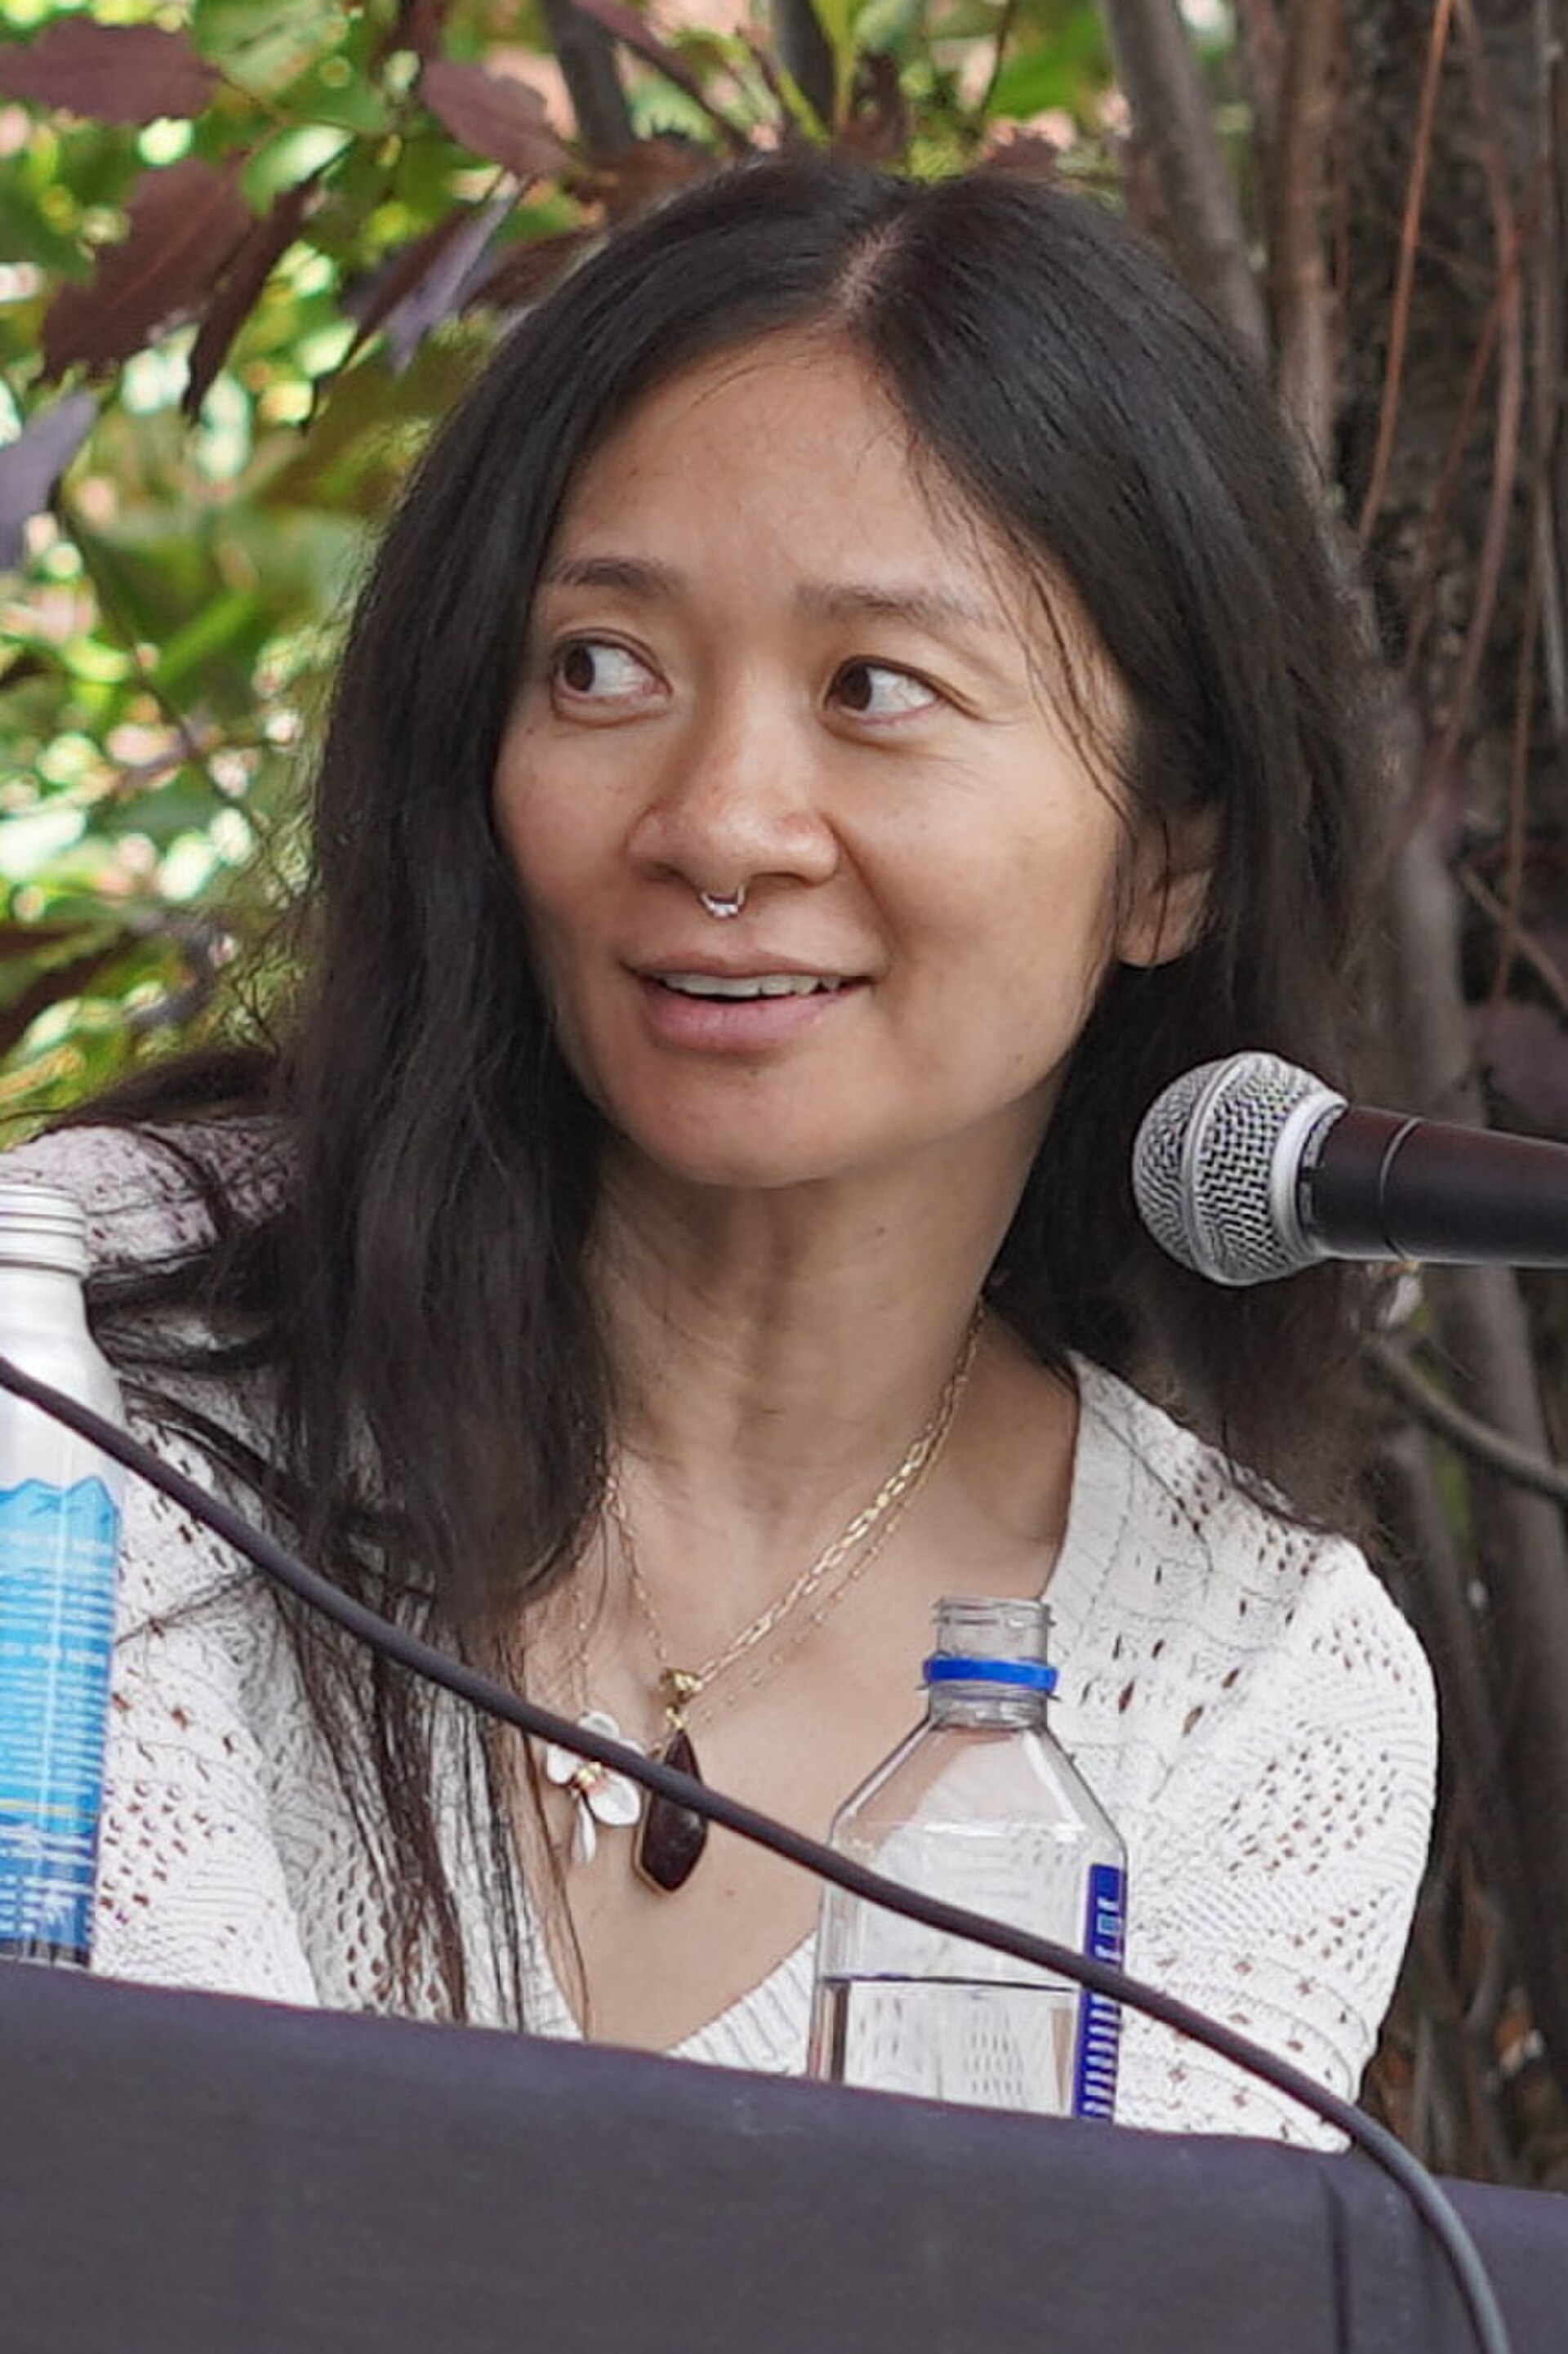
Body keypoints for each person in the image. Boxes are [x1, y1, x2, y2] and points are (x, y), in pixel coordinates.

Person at [7, 151, 1435, 2144]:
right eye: (602, 666)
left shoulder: (1248, 1687)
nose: (720, 822)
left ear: (1170, 860)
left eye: (878, 689)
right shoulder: (72, 1365)